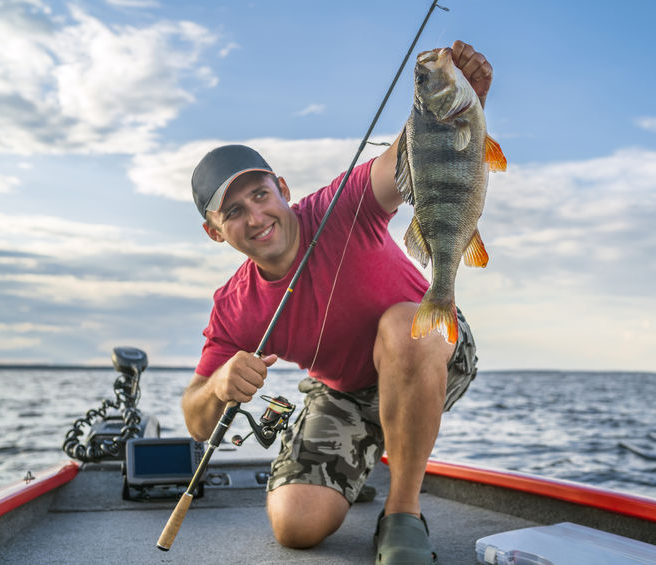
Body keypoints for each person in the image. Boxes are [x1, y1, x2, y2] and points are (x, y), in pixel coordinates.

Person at [182, 40, 492, 565]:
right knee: (295, 526)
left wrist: (454, 103)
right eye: (232, 212)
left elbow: (406, 159)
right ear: (215, 233)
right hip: (343, 394)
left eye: (260, 194)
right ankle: (358, 465)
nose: (255, 217)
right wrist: (217, 384)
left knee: (402, 326)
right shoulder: (234, 306)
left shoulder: (340, 205)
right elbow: (196, 417)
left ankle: (403, 515)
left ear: (281, 188)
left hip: (431, 348)